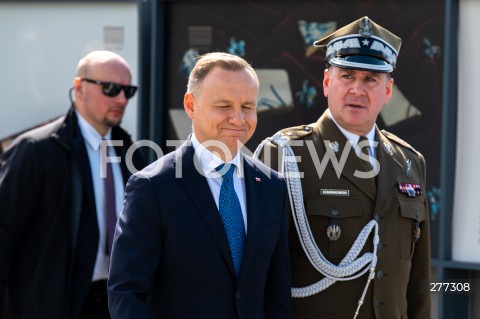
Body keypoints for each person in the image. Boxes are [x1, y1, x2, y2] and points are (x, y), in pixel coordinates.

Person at [255, 16, 431, 318]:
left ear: (387, 91)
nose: (357, 90)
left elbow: (418, 282)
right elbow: (257, 271)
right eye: (347, 76)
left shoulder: (410, 162)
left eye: (371, 79)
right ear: (327, 83)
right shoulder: (284, 154)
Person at [107, 52, 292, 318]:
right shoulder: (153, 187)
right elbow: (127, 293)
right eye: (224, 106)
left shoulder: (272, 187)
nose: (239, 119)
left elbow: (277, 295)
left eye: (248, 107)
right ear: (191, 105)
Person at [0, 50, 146, 319]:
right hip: (51, 306)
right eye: (111, 88)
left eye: (129, 90)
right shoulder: (37, 150)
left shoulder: (130, 151)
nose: (122, 99)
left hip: (114, 304)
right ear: (79, 88)